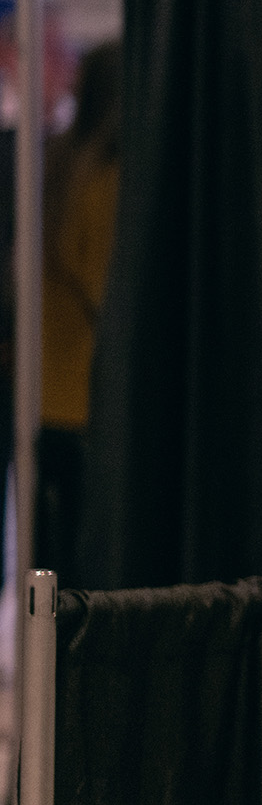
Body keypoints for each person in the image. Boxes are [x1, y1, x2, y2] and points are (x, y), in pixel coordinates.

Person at [38, 38, 119, 580]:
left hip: (49, 393)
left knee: (56, 544)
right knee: (93, 554)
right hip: (90, 394)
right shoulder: (108, 178)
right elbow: (106, 287)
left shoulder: (60, 163)